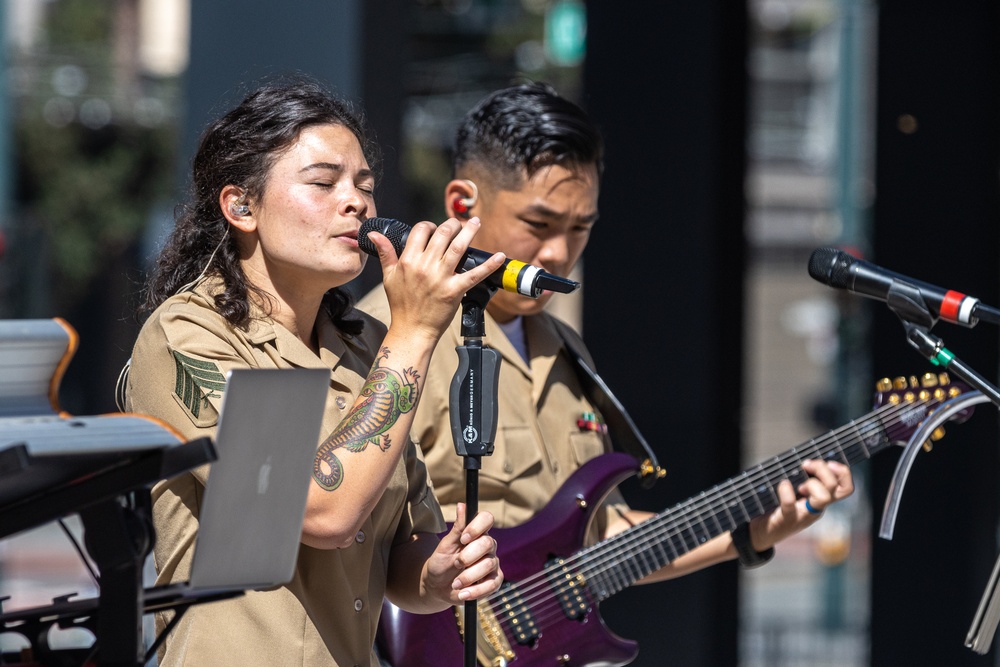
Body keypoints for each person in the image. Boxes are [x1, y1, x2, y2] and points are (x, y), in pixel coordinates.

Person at [358, 82, 853, 588]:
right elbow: (352, 541)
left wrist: (751, 534)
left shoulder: (562, 346)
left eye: (579, 228)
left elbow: (604, 536)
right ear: (462, 204)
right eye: (539, 222)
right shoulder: (383, 335)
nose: (557, 252)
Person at [123, 78, 504, 667]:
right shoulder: (191, 336)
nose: (356, 202)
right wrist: (416, 334)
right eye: (323, 184)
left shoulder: (368, 345)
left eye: (365, 186)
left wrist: (441, 572)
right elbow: (321, 511)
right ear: (241, 206)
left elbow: (398, 556)